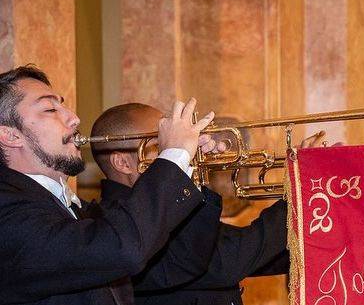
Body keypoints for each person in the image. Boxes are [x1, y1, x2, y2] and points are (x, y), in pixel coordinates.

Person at [0, 65, 220, 304]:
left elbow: (178, 265)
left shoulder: (76, 209)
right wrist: (173, 157)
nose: (74, 118)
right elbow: (124, 249)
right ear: (11, 136)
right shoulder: (7, 211)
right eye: (50, 108)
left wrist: (190, 172)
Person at [90, 103, 320, 305]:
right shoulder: (117, 223)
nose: (176, 149)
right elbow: (227, 262)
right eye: (161, 145)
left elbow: (261, 257)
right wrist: (299, 192)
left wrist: (331, 207)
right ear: (122, 162)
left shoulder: (167, 207)